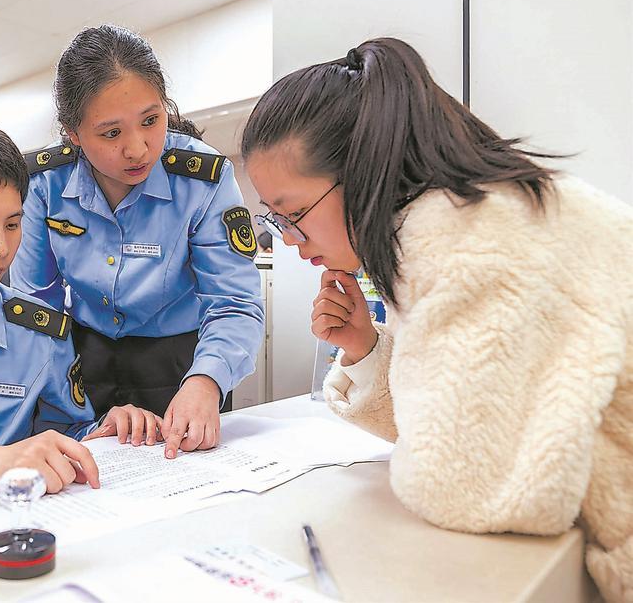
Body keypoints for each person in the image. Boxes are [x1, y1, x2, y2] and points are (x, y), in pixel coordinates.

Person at [239, 37, 632, 602]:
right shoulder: (460, 214)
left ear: (364, 169)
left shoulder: (462, 241)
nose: (294, 243)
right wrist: (366, 349)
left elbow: (469, 483)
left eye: (295, 214)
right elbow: (468, 422)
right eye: (277, 221)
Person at [10, 25, 265, 460]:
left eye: (151, 121)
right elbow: (35, 307)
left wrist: (206, 381)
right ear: (73, 133)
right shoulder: (43, 183)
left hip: (180, 362)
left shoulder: (202, 180)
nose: (138, 149)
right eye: (111, 133)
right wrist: (62, 403)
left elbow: (235, 302)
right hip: (77, 360)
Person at [0, 117, 163, 494]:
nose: (0, 248)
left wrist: (108, 428)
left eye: (12, 224)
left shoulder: (40, 331)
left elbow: (66, 432)